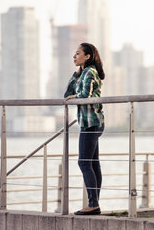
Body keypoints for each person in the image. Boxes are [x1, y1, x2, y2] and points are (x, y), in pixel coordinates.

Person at [64, 43, 105, 215]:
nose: (74, 56)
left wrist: (75, 95)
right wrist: (76, 74)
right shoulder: (83, 73)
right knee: (93, 164)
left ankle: (93, 204)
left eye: (78, 53)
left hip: (91, 123)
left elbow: (85, 96)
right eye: (74, 53)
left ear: (87, 56)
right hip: (89, 123)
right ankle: (94, 202)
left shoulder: (91, 72)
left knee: (84, 162)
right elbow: (67, 95)